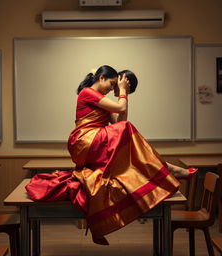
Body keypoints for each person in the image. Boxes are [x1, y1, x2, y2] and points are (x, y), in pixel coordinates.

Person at [26, 65, 197, 245]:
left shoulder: (103, 102)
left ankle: (163, 169)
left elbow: (121, 121)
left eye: (115, 85)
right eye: (111, 83)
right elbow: (121, 111)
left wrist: (124, 93)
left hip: (93, 143)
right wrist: (122, 91)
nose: (111, 88)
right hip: (84, 142)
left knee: (127, 138)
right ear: (101, 77)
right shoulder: (87, 92)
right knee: (127, 132)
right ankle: (167, 168)